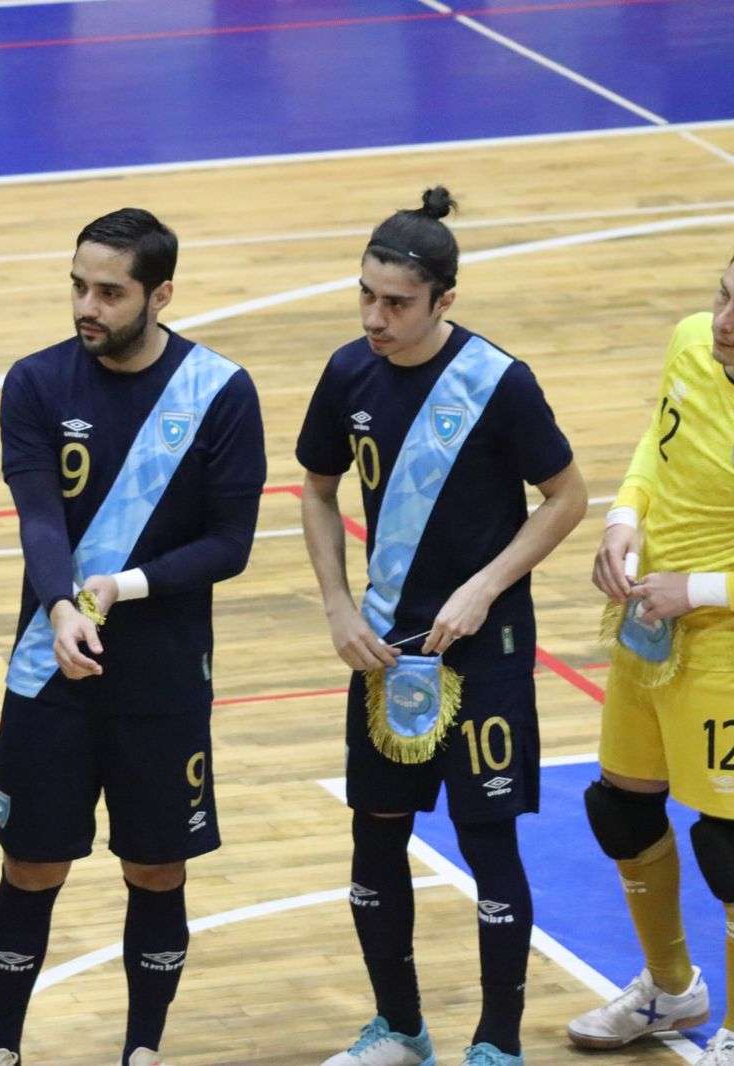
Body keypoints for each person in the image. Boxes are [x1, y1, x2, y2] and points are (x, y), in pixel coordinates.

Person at [297, 187, 586, 1066]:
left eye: (397, 304)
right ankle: (399, 1028)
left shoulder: (500, 384)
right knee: (375, 832)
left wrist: (487, 586)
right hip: (385, 645)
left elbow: (567, 497)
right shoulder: (349, 372)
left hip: (483, 648)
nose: (376, 318)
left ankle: (497, 1043)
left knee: (486, 834)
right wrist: (340, 607)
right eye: (366, 296)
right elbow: (314, 486)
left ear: (445, 301)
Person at [0, 207, 266, 1066]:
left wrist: (121, 587)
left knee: (156, 868)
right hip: (51, 671)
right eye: (78, 286)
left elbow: (230, 544)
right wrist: (63, 606)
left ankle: (143, 1048)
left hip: (165, 678)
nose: (86, 306)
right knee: (31, 865)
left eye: (109, 291)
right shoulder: (35, 383)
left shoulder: (219, 391)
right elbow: (39, 520)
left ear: (160, 293)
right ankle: (2, 1049)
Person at [567, 253, 734, 1064]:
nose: (726, 323)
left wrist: (698, 589)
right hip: (648, 627)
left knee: (733, 848)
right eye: (725, 296)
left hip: (724, 647)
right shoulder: (692, 343)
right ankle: (672, 991)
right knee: (622, 810)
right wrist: (621, 520)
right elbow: (656, 444)